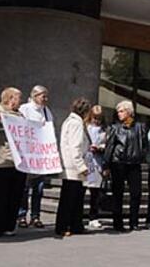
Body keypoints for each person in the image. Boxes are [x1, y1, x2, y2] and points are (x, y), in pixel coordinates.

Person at [0, 88, 27, 239]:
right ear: (10, 98)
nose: (20, 100)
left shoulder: (20, 115)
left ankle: (9, 226)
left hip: (18, 163)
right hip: (2, 162)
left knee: (14, 197)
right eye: (18, 97)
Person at [103, 100, 147, 232]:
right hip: (118, 163)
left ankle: (134, 222)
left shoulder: (140, 127)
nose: (119, 114)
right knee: (118, 193)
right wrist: (106, 165)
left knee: (136, 193)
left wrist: (141, 155)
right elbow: (109, 147)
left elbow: (144, 144)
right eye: (118, 112)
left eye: (122, 111)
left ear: (129, 112)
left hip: (134, 163)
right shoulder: (115, 128)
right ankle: (118, 223)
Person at [17, 85, 54, 229]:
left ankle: (35, 216)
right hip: (28, 153)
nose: (45, 99)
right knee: (25, 188)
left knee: (39, 187)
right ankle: (21, 215)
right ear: (35, 96)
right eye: (43, 96)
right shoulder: (25, 109)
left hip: (40, 155)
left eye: (46, 96)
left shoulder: (46, 111)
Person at [55, 98, 92, 237]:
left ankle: (76, 224)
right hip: (74, 167)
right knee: (70, 198)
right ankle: (64, 226)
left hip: (70, 165)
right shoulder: (76, 124)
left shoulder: (69, 121)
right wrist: (81, 166)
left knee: (75, 198)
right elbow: (75, 147)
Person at [86, 105, 107, 230]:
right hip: (87, 161)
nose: (96, 121)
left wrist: (100, 148)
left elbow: (107, 145)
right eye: (95, 118)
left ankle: (93, 216)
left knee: (96, 193)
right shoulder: (86, 127)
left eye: (99, 118)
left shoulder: (104, 130)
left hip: (98, 161)